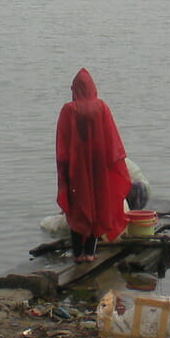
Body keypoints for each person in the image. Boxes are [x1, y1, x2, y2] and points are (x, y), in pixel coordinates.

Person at [55, 68, 131, 262]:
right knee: (98, 203)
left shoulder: (68, 109)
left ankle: (78, 254)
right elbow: (111, 139)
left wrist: (63, 169)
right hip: (98, 166)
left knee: (76, 206)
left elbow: (62, 143)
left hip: (76, 167)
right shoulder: (101, 107)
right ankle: (90, 253)